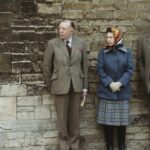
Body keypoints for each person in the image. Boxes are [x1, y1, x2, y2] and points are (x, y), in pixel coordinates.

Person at [42, 20, 88, 150]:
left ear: (71, 30)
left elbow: (84, 66)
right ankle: (63, 146)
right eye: (59, 28)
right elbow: (46, 66)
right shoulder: (52, 43)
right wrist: (51, 84)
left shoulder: (81, 43)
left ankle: (74, 145)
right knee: (62, 120)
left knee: (75, 119)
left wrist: (85, 87)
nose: (60, 31)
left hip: (77, 86)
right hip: (60, 85)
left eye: (63, 28)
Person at [96, 27, 134, 150]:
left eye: (111, 37)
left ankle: (122, 146)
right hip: (107, 92)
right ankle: (110, 146)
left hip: (122, 92)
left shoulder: (127, 52)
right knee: (108, 125)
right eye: (107, 37)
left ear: (117, 37)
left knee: (122, 124)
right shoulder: (102, 52)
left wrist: (120, 83)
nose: (108, 39)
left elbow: (130, 70)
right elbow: (100, 69)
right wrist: (110, 83)